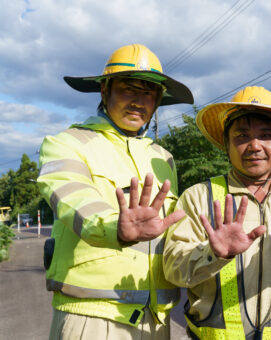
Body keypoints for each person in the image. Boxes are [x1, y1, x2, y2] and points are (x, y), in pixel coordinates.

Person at [37, 43, 194, 339]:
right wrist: (116, 229)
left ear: (158, 101)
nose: (138, 101)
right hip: (92, 317)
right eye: (128, 89)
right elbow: (74, 199)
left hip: (156, 322)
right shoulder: (66, 143)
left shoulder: (163, 158)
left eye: (148, 93)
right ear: (104, 90)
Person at [163, 86, 271, 339]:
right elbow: (174, 269)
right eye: (242, 136)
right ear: (226, 145)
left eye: (266, 135)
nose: (254, 145)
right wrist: (213, 254)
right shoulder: (199, 197)